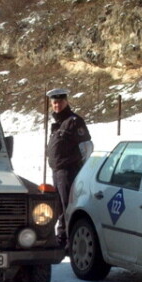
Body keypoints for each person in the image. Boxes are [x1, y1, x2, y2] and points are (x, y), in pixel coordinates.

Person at [45, 88, 92, 250]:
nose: (57, 105)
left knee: (67, 205)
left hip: (68, 171)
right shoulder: (58, 123)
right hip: (57, 171)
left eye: (60, 102)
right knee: (58, 206)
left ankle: (70, 241)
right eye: (54, 102)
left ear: (66, 101)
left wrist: (80, 168)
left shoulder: (74, 121)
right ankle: (61, 237)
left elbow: (86, 147)